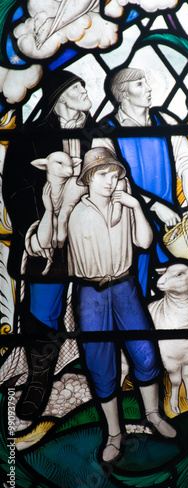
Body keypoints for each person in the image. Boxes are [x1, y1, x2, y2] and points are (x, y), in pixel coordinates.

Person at [67, 147, 177, 462]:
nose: (110, 181)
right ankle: (114, 432)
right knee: (101, 364)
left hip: (126, 287)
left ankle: (153, 415)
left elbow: (144, 242)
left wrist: (135, 205)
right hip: (93, 293)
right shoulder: (79, 213)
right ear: (87, 178)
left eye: (115, 175)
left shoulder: (126, 206)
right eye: (103, 175)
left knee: (144, 351)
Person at [3, 69, 95, 419]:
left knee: (98, 305)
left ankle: (100, 377)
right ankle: (39, 381)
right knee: (44, 310)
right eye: (78, 87)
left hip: (93, 236)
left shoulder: (96, 134)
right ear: (59, 98)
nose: (85, 92)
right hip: (47, 240)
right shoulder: (32, 138)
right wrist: (33, 229)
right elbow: (14, 188)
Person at [95, 67, 188, 296]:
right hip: (128, 223)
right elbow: (112, 183)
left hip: (171, 225)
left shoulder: (165, 122)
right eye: (140, 85)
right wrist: (153, 206)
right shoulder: (105, 132)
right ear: (123, 94)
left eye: (146, 83)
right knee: (136, 290)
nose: (149, 89)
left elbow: (187, 167)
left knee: (183, 288)